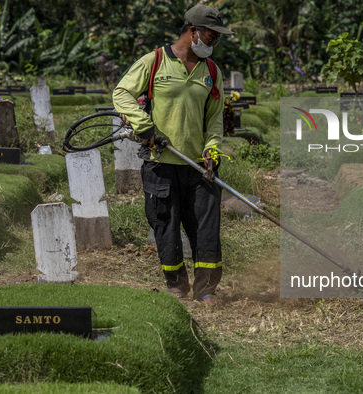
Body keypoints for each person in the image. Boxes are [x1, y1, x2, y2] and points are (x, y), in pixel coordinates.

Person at [112, 5, 233, 305]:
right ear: (192, 31)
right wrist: (144, 126)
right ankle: (176, 284)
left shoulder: (212, 72)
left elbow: (214, 118)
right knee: (165, 224)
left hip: (199, 166)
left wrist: (212, 148)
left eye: (217, 38)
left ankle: (206, 289)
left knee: (206, 228)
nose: (213, 43)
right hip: (160, 163)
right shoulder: (154, 61)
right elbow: (121, 94)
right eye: (210, 36)